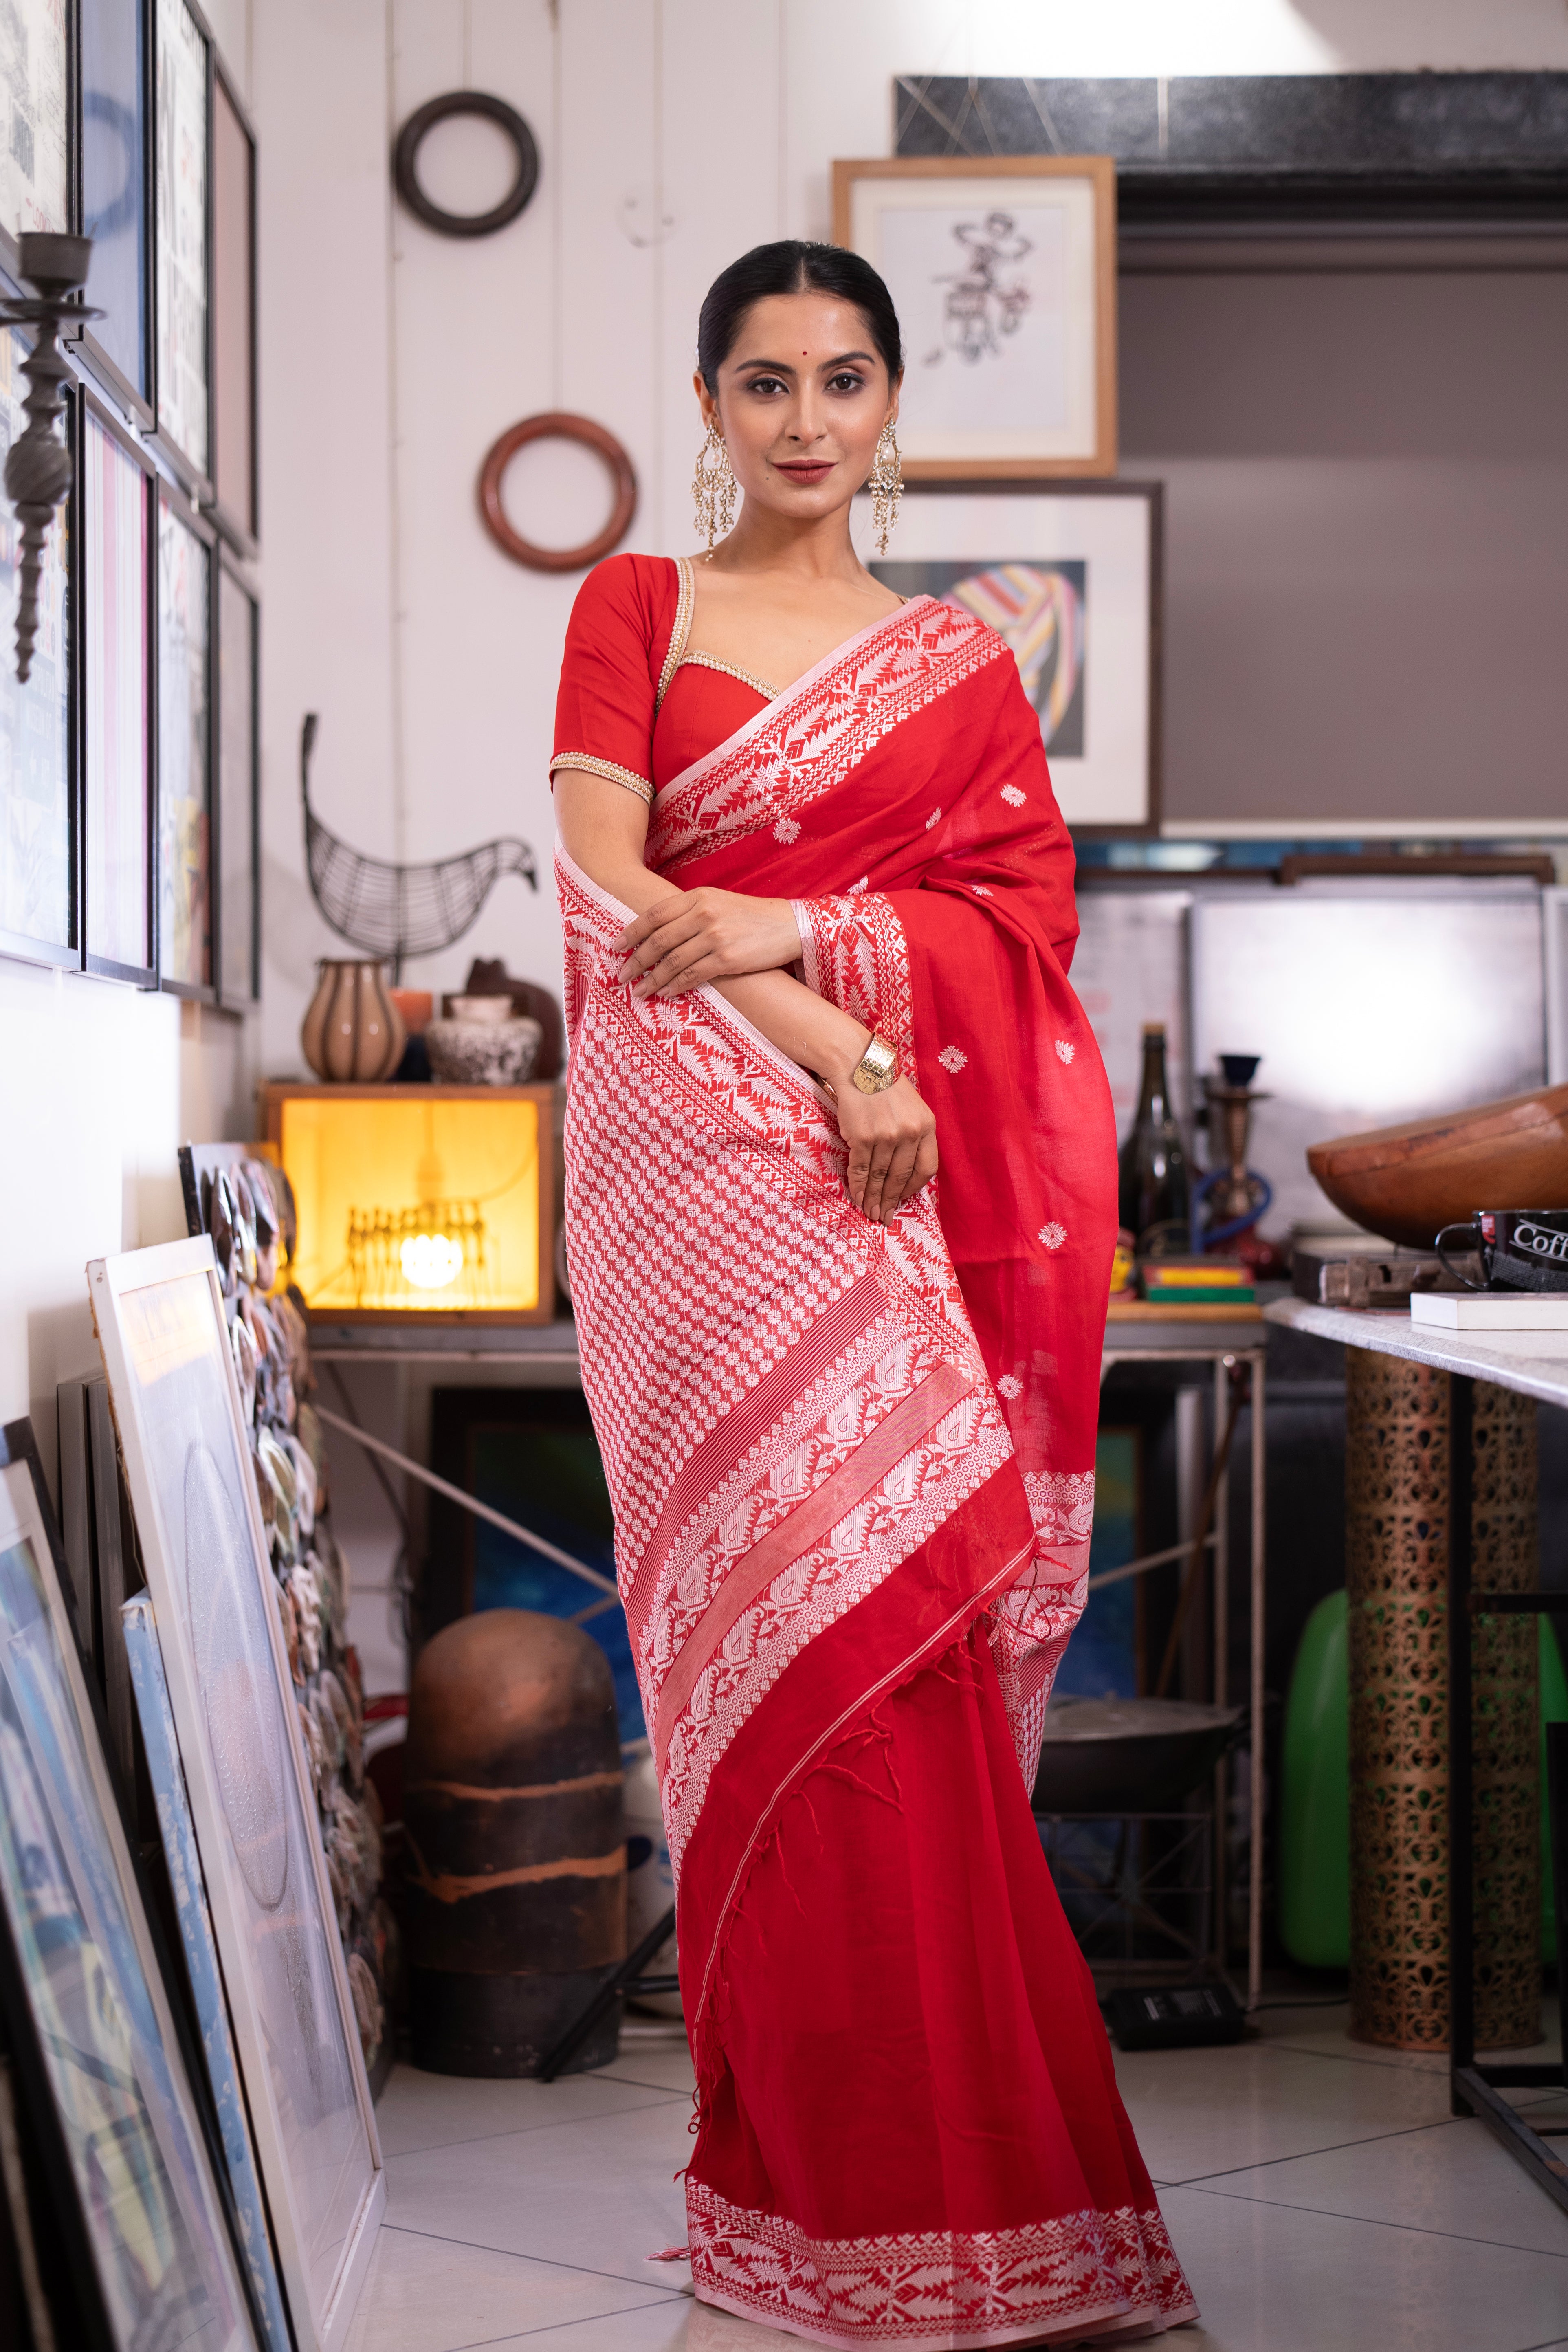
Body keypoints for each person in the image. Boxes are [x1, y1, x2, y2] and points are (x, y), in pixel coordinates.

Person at [550, 239, 1196, 2349]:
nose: (806, 418)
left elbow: (1017, 928)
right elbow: (606, 885)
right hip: (708, 1188)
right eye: (763, 381)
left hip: (907, 1200)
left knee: (896, 1647)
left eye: (844, 379)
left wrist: (810, 968)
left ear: (892, 408)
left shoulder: (958, 669)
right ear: (712, 405)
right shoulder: (637, 606)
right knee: (763, 1656)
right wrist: (843, 1040)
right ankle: (813, 2195)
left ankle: (974, 2204)